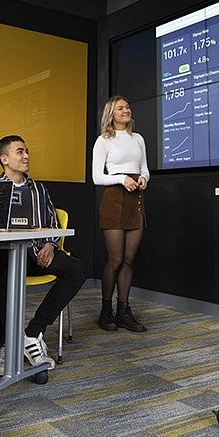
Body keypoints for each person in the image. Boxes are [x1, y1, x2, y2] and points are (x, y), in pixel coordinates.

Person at [0, 135, 85, 376]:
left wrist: (51, 245)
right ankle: (6, 344)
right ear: (5, 159)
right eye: (20, 152)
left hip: (37, 254)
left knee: (76, 269)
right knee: (10, 267)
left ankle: (32, 334)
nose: (26, 156)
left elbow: (52, 223)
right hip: (3, 256)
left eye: (27, 151)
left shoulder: (39, 190)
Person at [92, 96, 150, 332]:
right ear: (111, 114)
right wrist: (121, 178)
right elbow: (97, 177)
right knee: (115, 260)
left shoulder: (138, 139)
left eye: (127, 106)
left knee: (129, 259)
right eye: (120, 108)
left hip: (136, 199)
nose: (126, 110)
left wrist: (144, 178)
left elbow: (144, 167)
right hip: (114, 200)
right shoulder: (103, 141)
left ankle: (123, 310)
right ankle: (106, 309)